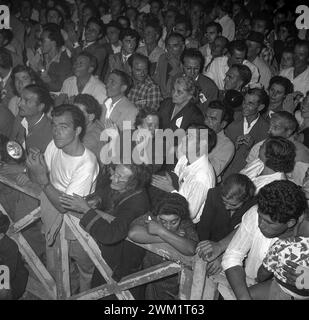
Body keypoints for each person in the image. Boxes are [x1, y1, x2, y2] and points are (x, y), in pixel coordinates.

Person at [26, 104, 99, 293]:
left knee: (86, 269)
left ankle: (85, 297)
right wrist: (35, 166)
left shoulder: (86, 163)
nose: (57, 132)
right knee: (56, 267)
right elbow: (38, 176)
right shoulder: (54, 145)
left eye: (64, 127)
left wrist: (43, 180)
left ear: (78, 130)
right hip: (54, 213)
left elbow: (64, 206)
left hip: (78, 223)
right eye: (54, 126)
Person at [60, 162, 151, 298]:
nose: (113, 178)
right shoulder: (123, 188)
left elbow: (111, 234)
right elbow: (104, 194)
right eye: (114, 173)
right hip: (108, 259)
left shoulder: (137, 203)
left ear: (134, 183)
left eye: (119, 177)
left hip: (122, 266)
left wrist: (86, 209)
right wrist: (96, 200)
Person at [222, 180, 307, 300]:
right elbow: (232, 256)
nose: (260, 224)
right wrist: (244, 297)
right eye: (260, 217)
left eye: (269, 222)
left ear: (290, 222)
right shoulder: (256, 213)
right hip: (255, 286)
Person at [128, 192, 198, 299]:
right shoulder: (151, 217)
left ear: (181, 218)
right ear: (156, 216)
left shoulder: (185, 224)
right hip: (148, 279)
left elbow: (191, 249)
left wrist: (161, 231)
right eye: (163, 221)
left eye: (174, 222)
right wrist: (169, 237)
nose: (168, 226)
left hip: (175, 286)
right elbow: (133, 233)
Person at [151, 124, 217, 224]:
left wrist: (170, 189)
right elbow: (175, 178)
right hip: (173, 199)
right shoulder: (185, 158)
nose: (183, 139)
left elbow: (190, 213)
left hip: (183, 220)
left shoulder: (202, 177)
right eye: (185, 135)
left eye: (189, 137)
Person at [196, 174, 256, 277]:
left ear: (245, 199)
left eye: (233, 205)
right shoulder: (214, 194)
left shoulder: (253, 207)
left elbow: (246, 240)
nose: (227, 207)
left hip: (233, 251)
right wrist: (206, 250)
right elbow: (204, 227)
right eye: (224, 202)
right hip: (212, 242)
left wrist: (222, 256)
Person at [224, 88, 270, 178]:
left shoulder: (267, 129)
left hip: (246, 178)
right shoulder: (231, 119)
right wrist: (232, 147)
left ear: (260, 107)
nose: (244, 106)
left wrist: (252, 148)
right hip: (225, 173)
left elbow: (262, 163)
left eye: (250, 103)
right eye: (244, 101)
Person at [177, 48, 219, 115]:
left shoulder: (209, 87)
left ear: (201, 67)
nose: (192, 72)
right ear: (182, 66)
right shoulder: (175, 79)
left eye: (196, 68)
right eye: (188, 68)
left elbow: (210, 112)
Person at [35, 23, 73, 92]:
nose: (40, 43)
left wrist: (42, 71)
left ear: (53, 43)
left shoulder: (64, 62)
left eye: (43, 41)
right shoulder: (42, 56)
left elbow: (60, 88)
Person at [0, 212, 29, 300]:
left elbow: (6, 277)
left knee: (3, 290)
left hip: (12, 284)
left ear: (1, 235)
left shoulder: (9, 247)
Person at [205, 100, 234, 180]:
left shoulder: (227, 146)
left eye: (213, 119)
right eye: (206, 117)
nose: (206, 122)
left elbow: (209, 172)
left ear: (223, 124)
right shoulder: (197, 131)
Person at [154, 32, 185, 99]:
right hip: (161, 98)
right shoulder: (163, 58)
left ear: (182, 47)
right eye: (168, 46)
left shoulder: (186, 63)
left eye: (175, 46)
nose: (170, 49)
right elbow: (157, 79)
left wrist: (174, 63)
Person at [74, 94, 104, 160]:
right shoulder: (92, 123)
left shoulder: (93, 137)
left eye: (78, 112)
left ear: (91, 117)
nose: (73, 115)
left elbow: (73, 155)